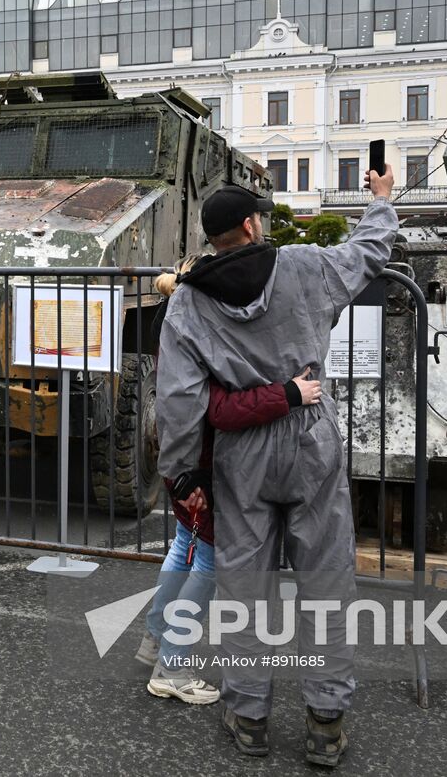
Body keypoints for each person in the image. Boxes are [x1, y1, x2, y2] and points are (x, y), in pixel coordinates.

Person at [156, 169, 398, 767]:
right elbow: (367, 254)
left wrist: (182, 472)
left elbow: (179, 399)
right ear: (251, 224)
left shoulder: (188, 301)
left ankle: (250, 718)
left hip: (243, 455)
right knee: (325, 582)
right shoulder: (304, 266)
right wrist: (381, 200)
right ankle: (324, 721)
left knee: (245, 586)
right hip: (310, 436)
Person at [138, 260, 324, 706]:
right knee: (209, 561)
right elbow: (221, 410)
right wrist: (288, 395)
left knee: (185, 545)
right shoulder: (203, 327)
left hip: (180, 461)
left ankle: (156, 638)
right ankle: (173, 666)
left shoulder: (176, 315)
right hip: (204, 465)